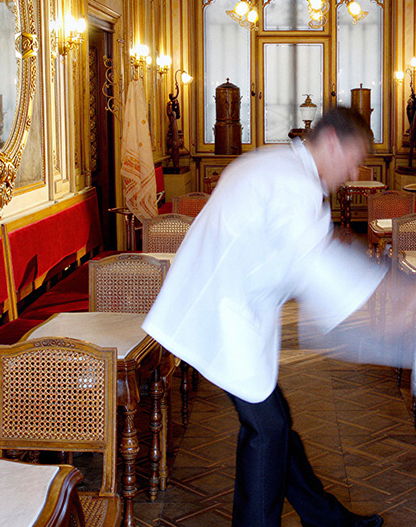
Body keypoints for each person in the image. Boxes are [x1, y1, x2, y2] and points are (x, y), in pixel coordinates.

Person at [143, 107, 386, 527]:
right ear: (331, 142)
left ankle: (329, 520)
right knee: (268, 431)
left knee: (275, 425)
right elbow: (315, 264)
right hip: (221, 317)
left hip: (228, 312)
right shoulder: (294, 184)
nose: (353, 171)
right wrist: (384, 298)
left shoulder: (276, 163)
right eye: (353, 158)